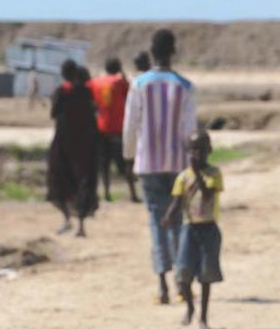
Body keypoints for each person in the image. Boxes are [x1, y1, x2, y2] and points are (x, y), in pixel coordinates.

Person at [123, 29, 197, 304]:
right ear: (173, 52)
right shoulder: (185, 86)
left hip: (148, 164)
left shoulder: (139, 84)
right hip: (178, 165)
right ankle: (181, 284)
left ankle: (162, 286)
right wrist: (193, 166)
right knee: (177, 221)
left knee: (157, 222)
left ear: (152, 53)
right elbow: (190, 131)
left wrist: (129, 155)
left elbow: (131, 124)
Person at [161, 130, 223, 329]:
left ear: (209, 150)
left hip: (209, 228)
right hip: (189, 229)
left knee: (206, 275)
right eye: (194, 150)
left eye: (201, 150)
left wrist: (197, 175)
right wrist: (168, 216)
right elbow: (177, 201)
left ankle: (203, 317)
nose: (197, 154)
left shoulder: (214, 173)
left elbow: (208, 195)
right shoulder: (182, 177)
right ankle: (190, 307)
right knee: (183, 271)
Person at [46, 60, 99, 237]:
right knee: (83, 181)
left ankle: (66, 219)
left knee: (59, 179)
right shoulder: (86, 92)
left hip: (64, 142)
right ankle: (81, 226)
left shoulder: (61, 92)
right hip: (84, 144)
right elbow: (93, 113)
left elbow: (53, 113)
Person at [88, 57, 141, 203]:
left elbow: (92, 101)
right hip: (118, 128)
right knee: (126, 161)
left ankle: (106, 193)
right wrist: (123, 75)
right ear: (118, 68)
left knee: (104, 163)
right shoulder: (120, 82)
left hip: (102, 127)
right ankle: (132, 194)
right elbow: (130, 94)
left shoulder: (95, 82)